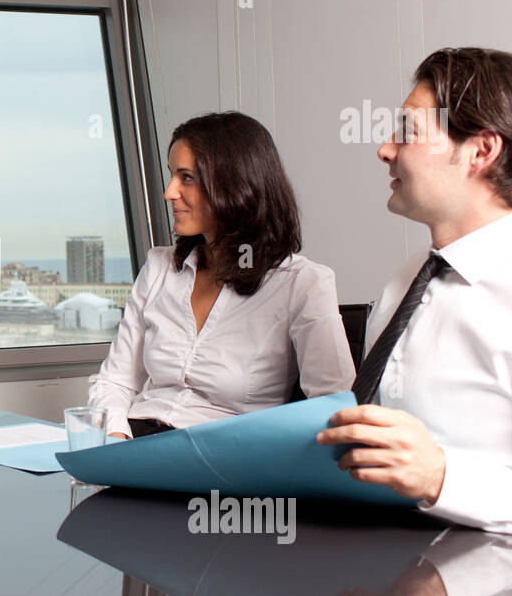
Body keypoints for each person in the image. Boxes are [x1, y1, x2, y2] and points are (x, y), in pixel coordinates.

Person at [317, 47, 512, 543]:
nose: (385, 148)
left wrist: (443, 479)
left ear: (481, 151)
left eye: (407, 130)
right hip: (376, 574)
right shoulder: (406, 281)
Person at [89, 112, 355, 439]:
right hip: (137, 442)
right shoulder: (159, 267)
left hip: (226, 460)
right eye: (172, 175)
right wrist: (116, 440)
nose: (169, 192)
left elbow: (333, 408)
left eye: (186, 178)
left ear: (235, 184)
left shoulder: (301, 284)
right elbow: (114, 380)